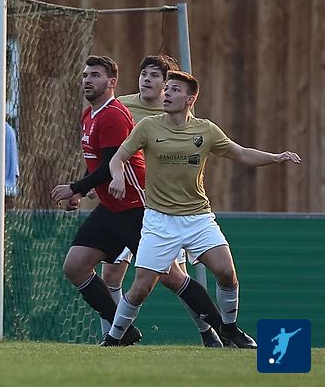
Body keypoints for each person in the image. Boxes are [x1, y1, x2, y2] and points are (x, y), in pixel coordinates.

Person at [103, 70, 301, 347]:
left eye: (174, 90)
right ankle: (113, 338)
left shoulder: (205, 130)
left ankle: (229, 329)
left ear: (190, 99)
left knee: (226, 272)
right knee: (141, 288)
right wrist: (117, 176)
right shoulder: (148, 126)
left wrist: (276, 157)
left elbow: (240, 153)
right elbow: (118, 158)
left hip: (197, 217)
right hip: (159, 220)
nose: (167, 94)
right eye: (167, 88)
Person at [51, 56, 228, 347]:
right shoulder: (96, 113)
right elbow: (101, 161)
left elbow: (114, 161)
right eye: (85, 75)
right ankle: (118, 332)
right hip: (112, 206)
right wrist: (83, 190)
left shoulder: (126, 115)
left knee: (172, 277)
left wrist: (76, 188)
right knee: (80, 267)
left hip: (143, 207)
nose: (87, 80)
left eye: (94, 75)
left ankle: (219, 331)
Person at [100, 55, 220, 347]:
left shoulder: (177, 114)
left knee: (172, 278)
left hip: (160, 208)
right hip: (123, 203)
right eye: (144, 73)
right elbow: (110, 152)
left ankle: (210, 331)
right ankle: (112, 337)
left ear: (169, 86)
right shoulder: (122, 106)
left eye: (155, 76)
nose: (147, 79)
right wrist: (98, 182)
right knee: (111, 274)